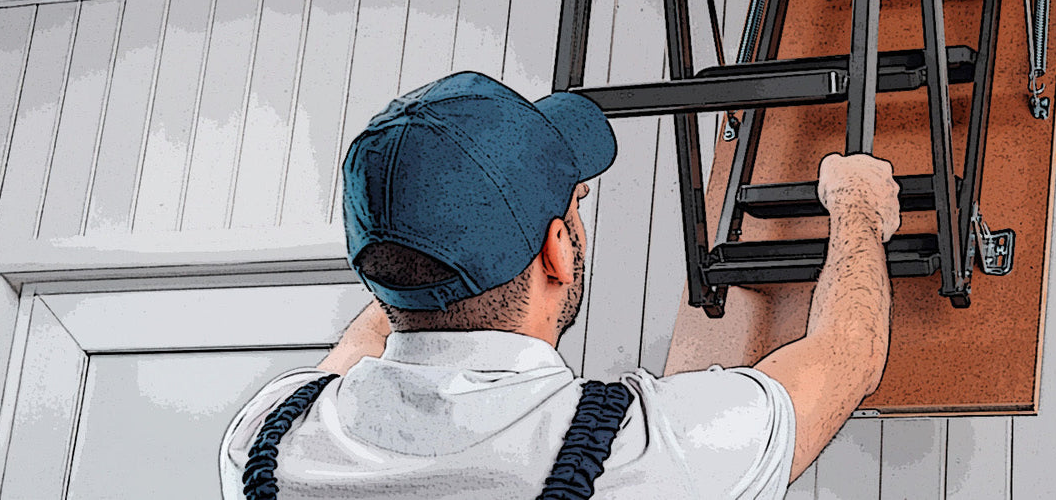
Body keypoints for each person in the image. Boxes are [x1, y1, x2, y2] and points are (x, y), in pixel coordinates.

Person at [219, 71, 901, 499]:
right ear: (557, 251)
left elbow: (379, 324)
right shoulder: (643, 453)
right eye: (577, 205)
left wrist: (428, 227)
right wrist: (859, 206)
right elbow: (849, 355)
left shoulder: (269, 445)